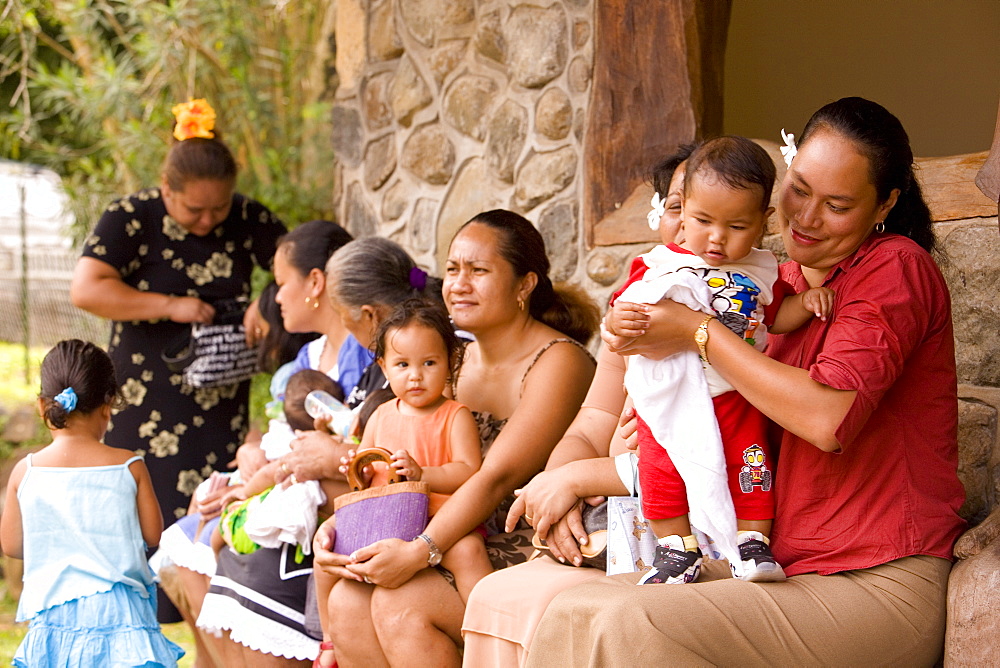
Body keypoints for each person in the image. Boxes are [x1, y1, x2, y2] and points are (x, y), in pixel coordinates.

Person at [520, 97, 965, 666]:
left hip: (875, 579)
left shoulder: (894, 267)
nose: (806, 216)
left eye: (837, 205)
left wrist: (699, 332)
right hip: (780, 565)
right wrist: (662, 422)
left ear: (885, 205)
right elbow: (742, 430)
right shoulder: (769, 283)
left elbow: (827, 419)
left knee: (635, 622)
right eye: (799, 188)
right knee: (572, 611)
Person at [312, 210, 600, 668]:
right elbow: (398, 460)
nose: (459, 284)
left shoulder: (560, 360)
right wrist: (344, 531)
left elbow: (494, 479)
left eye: (479, 270)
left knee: (398, 606)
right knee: (346, 602)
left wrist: (420, 551)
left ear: (525, 284)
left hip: (510, 542)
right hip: (436, 524)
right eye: (453, 269)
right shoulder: (448, 362)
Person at [461, 144, 694, 666]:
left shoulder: (737, 310)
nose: (688, 225)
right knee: (494, 598)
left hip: (680, 525)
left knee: (536, 602)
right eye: (676, 207)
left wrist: (578, 480)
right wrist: (561, 486)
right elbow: (590, 425)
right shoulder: (634, 303)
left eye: (702, 210)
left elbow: (703, 451)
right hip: (605, 510)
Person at [68, 100, 287, 626]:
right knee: (145, 496)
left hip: (218, 395)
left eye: (219, 209)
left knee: (210, 497)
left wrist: (267, 300)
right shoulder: (130, 219)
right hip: (144, 397)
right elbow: (86, 290)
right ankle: (140, 616)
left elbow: (297, 268)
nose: (210, 221)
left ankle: (206, 608)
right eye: (195, 211)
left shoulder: (247, 217)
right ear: (167, 190)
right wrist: (169, 306)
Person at [198, 236, 441, 666]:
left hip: (398, 515)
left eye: (346, 321)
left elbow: (391, 466)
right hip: (361, 504)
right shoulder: (390, 373)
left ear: (368, 316)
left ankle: (321, 643)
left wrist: (331, 461)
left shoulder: (406, 377)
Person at [605, 136, 834, 585]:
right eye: (703, 220)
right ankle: (675, 547)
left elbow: (775, 317)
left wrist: (806, 303)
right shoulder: (659, 265)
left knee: (751, 464)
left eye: (736, 226)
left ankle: (752, 544)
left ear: (765, 222)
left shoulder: (762, 270)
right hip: (671, 393)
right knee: (661, 469)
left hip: (736, 392)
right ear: (683, 211)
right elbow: (624, 313)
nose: (716, 237)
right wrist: (619, 321)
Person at [157, 218, 356, 668]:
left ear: (315, 283)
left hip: (317, 491)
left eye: (281, 282)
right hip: (286, 473)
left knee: (216, 524)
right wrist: (252, 456)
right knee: (200, 512)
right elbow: (281, 430)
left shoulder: (359, 353)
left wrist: (260, 480)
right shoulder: (309, 354)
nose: (276, 295)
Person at [313, 298, 489, 668]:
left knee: (469, 552)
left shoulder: (453, 416)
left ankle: (484, 632)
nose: (416, 376)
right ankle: (328, 640)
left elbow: (469, 471)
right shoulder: (379, 415)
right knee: (328, 555)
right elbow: (370, 471)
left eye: (429, 363)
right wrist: (358, 473)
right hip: (389, 519)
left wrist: (424, 473)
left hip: (442, 522)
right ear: (384, 368)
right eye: (402, 365)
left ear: (450, 363)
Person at [0, 340, 185, 667]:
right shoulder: (129, 466)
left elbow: (12, 546)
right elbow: (154, 535)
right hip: (122, 615)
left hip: (54, 614)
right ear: (107, 405)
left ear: (44, 406)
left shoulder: (25, 472)